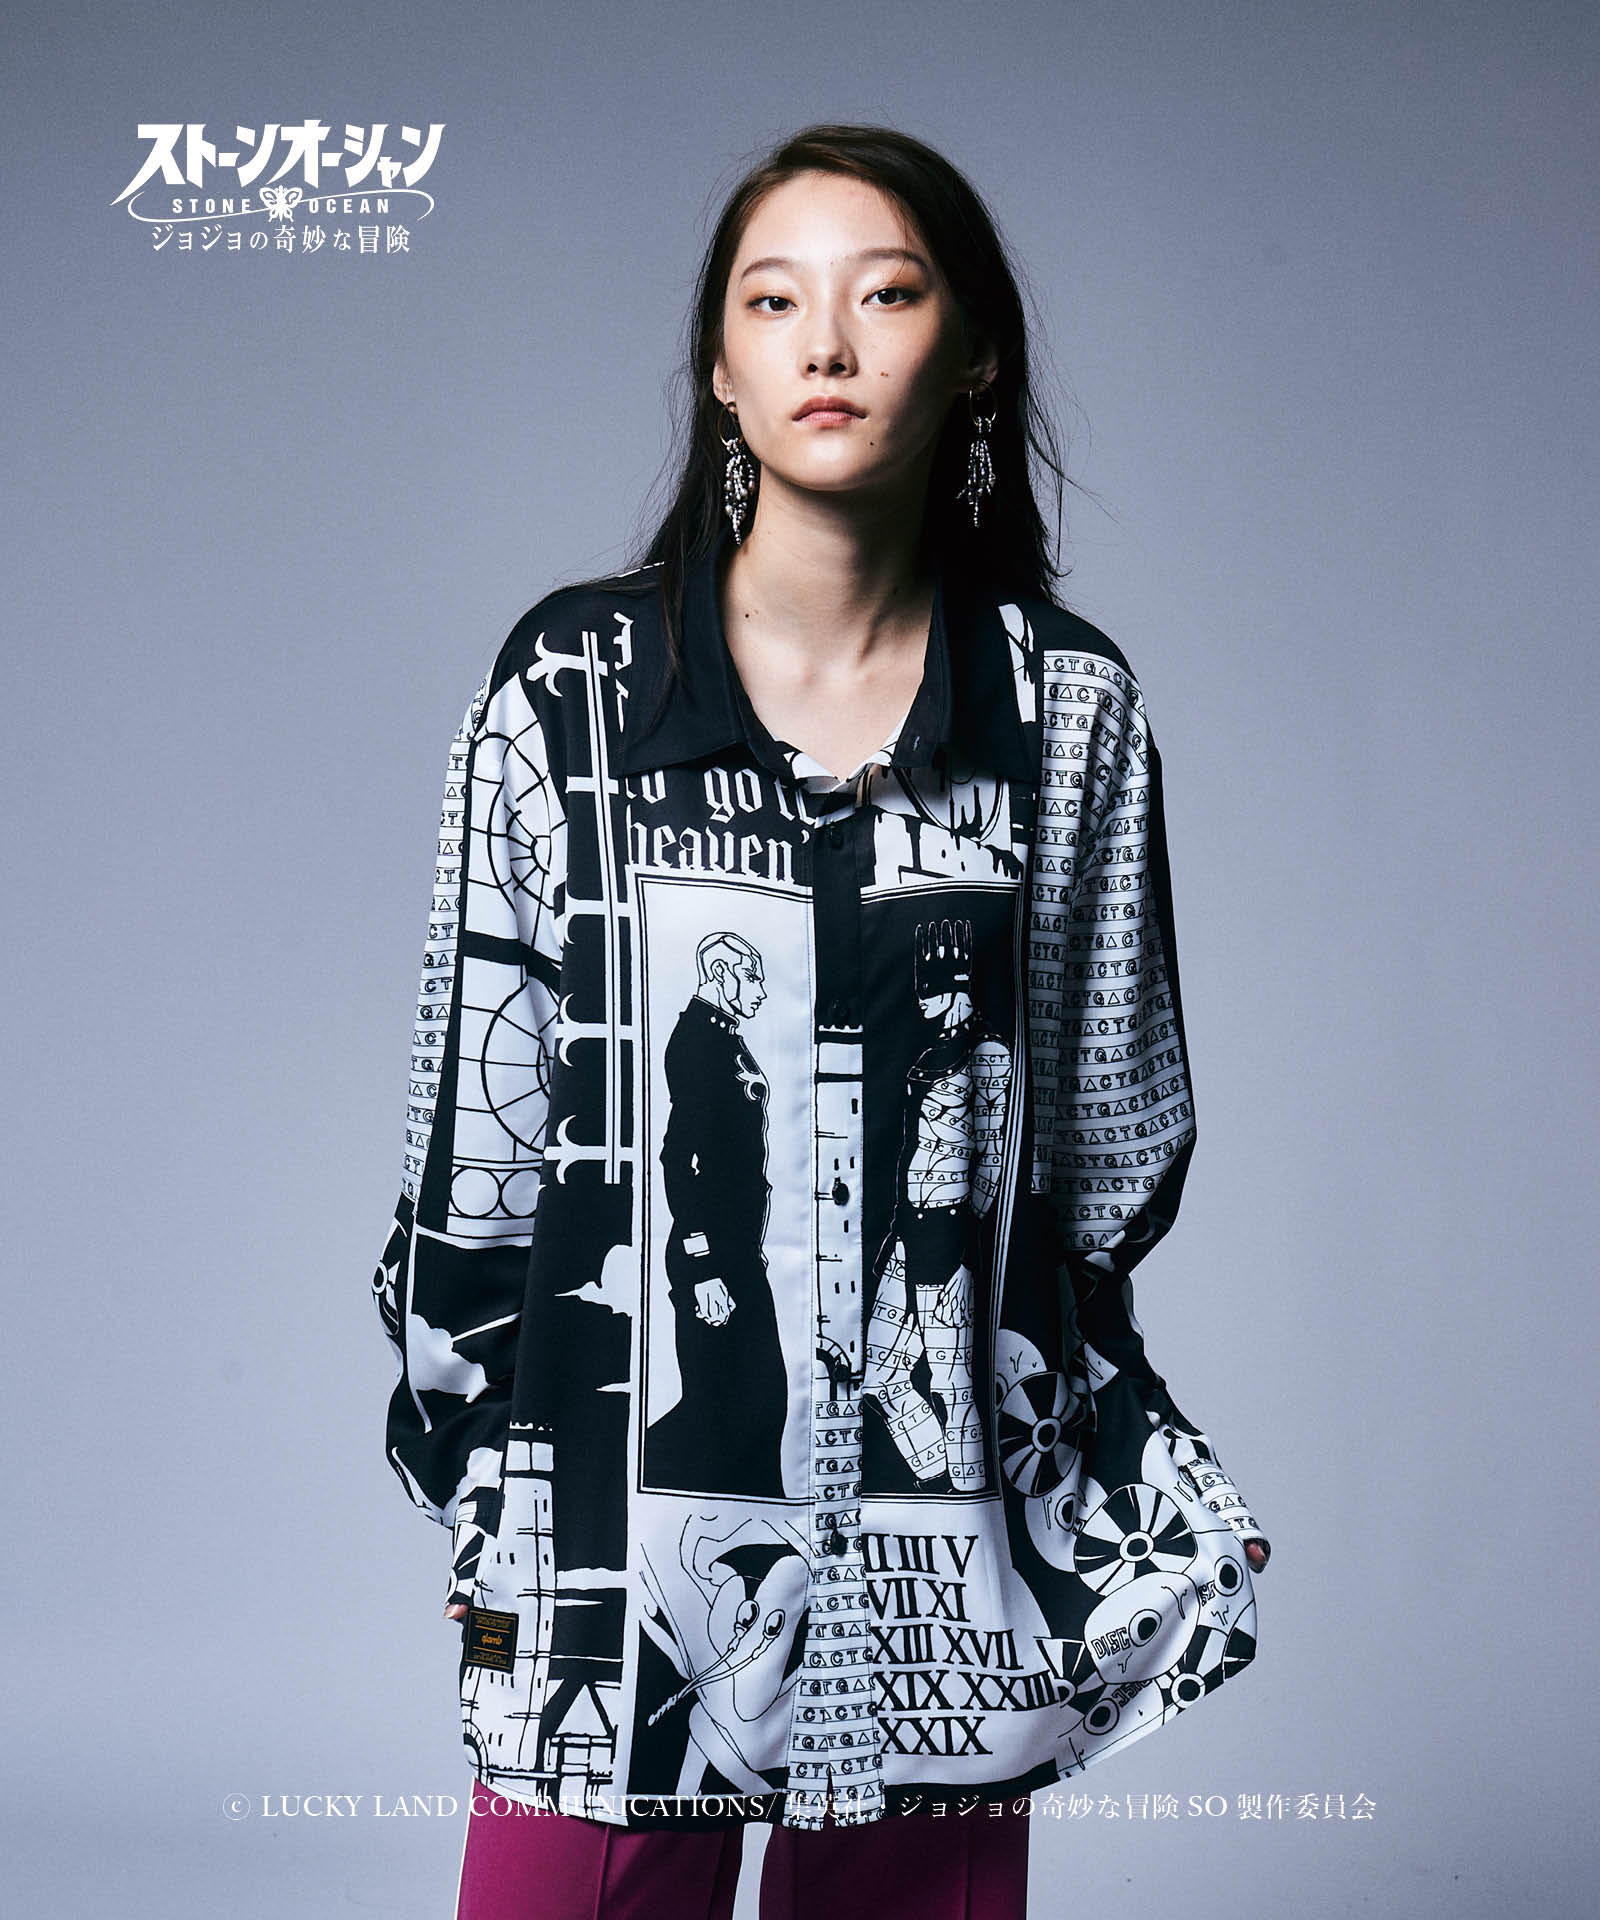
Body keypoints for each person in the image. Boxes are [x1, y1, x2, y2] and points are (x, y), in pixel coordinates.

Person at [369, 122, 1272, 1920]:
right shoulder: (570, 690)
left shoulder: (1067, 712)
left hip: (945, 1546)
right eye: (774, 303)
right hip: (607, 1521)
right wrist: (486, 1471)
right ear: (721, 367)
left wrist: (1042, 1431)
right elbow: (473, 1143)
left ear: (975, 352)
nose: (828, 344)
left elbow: (1105, 1150)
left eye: (888, 294)